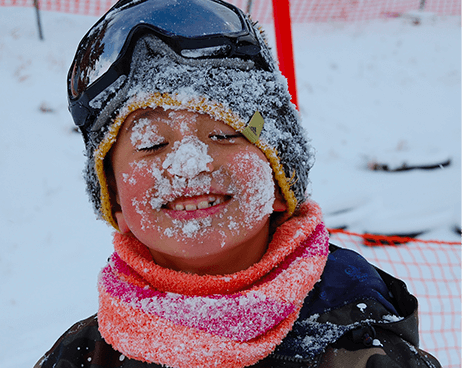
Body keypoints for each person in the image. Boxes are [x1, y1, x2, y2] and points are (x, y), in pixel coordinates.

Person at [35, 0, 441, 367]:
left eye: (224, 135)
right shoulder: (80, 356)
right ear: (116, 203)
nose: (188, 164)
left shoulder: (366, 344)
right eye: (152, 144)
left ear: (281, 185)